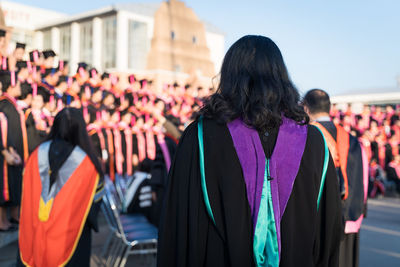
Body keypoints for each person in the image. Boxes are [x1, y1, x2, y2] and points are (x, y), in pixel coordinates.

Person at [157, 35, 342, 267]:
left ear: (229, 77)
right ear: (281, 77)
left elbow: (179, 225)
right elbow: (329, 231)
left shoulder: (201, 136)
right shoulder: (314, 142)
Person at [18, 108, 104, 267]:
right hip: (71, 238)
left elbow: (26, 196)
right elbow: (93, 206)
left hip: (34, 233)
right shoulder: (88, 163)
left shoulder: (36, 155)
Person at [303, 89, 368, 267]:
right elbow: (364, 180)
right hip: (350, 216)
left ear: (306, 108)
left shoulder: (306, 136)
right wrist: (359, 210)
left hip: (318, 220)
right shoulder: (353, 141)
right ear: (329, 108)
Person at [0, 71, 28, 225]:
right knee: (6, 186)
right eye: (16, 84)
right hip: (8, 151)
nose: (19, 87)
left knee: (15, 184)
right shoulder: (4, 104)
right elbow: (4, 130)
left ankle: (11, 218)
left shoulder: (12, 104)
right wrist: (9, 149)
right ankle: (4, 221)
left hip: (15, 151)